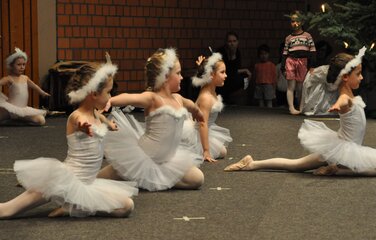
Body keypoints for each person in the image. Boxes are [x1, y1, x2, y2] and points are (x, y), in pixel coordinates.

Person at [0, 54, 138, 219]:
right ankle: (71, 203)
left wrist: (109, 125)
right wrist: (83, 129)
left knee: (126, 206)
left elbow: (99, 117)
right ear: (93, 93)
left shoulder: (95, 112)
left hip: (87, 184)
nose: (110, 97)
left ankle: (73, 205)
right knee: (7, 210)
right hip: (66, 179)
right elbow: (79, 122)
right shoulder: (77, 116)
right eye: (108, 92)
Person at [225, 47, 376, 177]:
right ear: (345, 77)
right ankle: (338, 170)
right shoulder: (345, 98)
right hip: (343, 150)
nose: (362, 77)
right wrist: (336, 106)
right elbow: (343, 102)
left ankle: (254, 164)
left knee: (296, 165)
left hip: (340, 148)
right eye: (358, 74)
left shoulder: (348, 95)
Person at [97, 48, 205, 191]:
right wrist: (111, 101)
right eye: (178, 73)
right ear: (166, 76)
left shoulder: (178, 99)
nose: (182, 77)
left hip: (167, 160)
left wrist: (198, 112)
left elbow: (190, 104)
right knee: (101, 179)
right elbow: (131, 97)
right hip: (142, 157)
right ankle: (95, 180)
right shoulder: (153, 98)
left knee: (197, 179)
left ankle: (150, 178)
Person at [182, 52, 233, 162]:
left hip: (207, 129)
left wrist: (201, 67)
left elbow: (202, 76)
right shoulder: (206, 98)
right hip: (197, 131)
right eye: (222, 72)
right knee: (217, 152)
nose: (226, 75)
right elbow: (202, 123)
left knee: (222, 151)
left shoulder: (210, 89)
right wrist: (206, 150)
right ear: (211, 74)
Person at [0, 48, 50, 125]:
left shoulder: (25, 78)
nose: (22, 67)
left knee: (41, 120)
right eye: (19, 64)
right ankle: (12, 121)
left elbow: (35, 86)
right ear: (11, 66)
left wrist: (42, 93)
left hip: (23, 109)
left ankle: (16, 122)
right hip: (11, 109)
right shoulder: (9, 78)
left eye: (24, 64)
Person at [281, 11, 316, 114]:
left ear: (302, 22)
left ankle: (300, 107)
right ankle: (291, 107)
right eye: (292, 21)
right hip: (290, 61)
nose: (295, 24)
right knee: (291, 86)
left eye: (297, 21)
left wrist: (312, 66)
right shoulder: (288, 38)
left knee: (301, 86)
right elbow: (284, 53)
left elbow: (313, 51)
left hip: (303, 62)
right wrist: (283, 67)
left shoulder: (307, 36)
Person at [217, 32, 251, 104]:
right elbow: (226, 70)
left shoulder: (237, 52)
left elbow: (235, 69)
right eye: (230, 41)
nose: (232, 44)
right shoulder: (221, 52)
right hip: (220, 76)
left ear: (237, 42)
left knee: (245, 77)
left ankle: (231, 97)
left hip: (230, 75)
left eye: (234, 41)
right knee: (229, 77)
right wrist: (232, 56)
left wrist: (233, 56)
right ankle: (223, 97)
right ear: (226, 42)